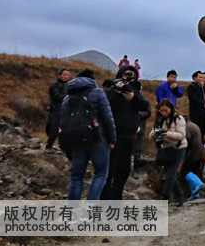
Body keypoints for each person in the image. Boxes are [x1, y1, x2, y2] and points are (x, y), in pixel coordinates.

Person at [61, 69, 117, 201]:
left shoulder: (67, 98)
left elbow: (63, 122)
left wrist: (67, 147)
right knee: (101, 174)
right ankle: (91, 209)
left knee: (76, 178)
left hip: (76, 140)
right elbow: (107, 118)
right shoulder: (98, 92)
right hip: (97, 139)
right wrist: (112, 139)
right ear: (92, 79)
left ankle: (72, 214)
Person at [103, 65, 151, 200]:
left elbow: (145, 106)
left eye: (132, 74)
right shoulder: (112, 90)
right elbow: (106, 107)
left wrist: (133, 97)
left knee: (124, 170)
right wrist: (117, 92)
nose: (129, 77)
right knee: (110, 169)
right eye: (126, 74)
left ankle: (116, 197)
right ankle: (105, 198)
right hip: (113, 135)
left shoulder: (134, 90)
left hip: (130, 136)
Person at [150, 98, 187, 206]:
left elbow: (182, 135)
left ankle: (164, 199)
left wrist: (168, 134)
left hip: (178, 148)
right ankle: (180, 195)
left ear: (171, 109)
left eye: (165, 110)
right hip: (165, 149)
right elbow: (152, 135)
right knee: (168, 174)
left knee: (170, 175)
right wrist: (153, 134)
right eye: (161, 110)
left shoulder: (178, 119)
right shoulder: (160, 119)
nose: (163, 113)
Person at [45, 68, 71, 153]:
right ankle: (48, 146)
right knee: (54, 128)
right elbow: (57, 96)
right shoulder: (54, 85)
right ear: (59, 75)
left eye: (67, 75)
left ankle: (64, 147)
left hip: (66, 109)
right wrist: (68, 96)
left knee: (66, 129)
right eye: (64, 75)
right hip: (56, 109)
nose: (66, 76)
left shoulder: (69, 85)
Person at [187, 71, 205, 136]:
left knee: (203, 128)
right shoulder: (191, 86)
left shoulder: (200, 87)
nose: (201, 79)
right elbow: (194, 99)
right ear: (194, 78)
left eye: (202, 77)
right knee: (196, 129)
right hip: (195, 112)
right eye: (200, 77)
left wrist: (204, 87)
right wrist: (203, 103)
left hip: (202, 111)